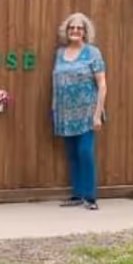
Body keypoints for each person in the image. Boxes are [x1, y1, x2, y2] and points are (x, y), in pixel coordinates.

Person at [52, 12, 107, 211]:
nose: (75, 31)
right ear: (67, 31)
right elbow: (56, 82)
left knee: (85, 152)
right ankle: (76, 195)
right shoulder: (60, 53)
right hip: (65, 114)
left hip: (87, 113)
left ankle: (90, 197)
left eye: (79, 28)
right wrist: (54, 108)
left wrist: (98, 114)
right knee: (72, 154)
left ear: (85, 32)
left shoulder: (93, 53)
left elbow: (102, 84)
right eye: (72, 28)